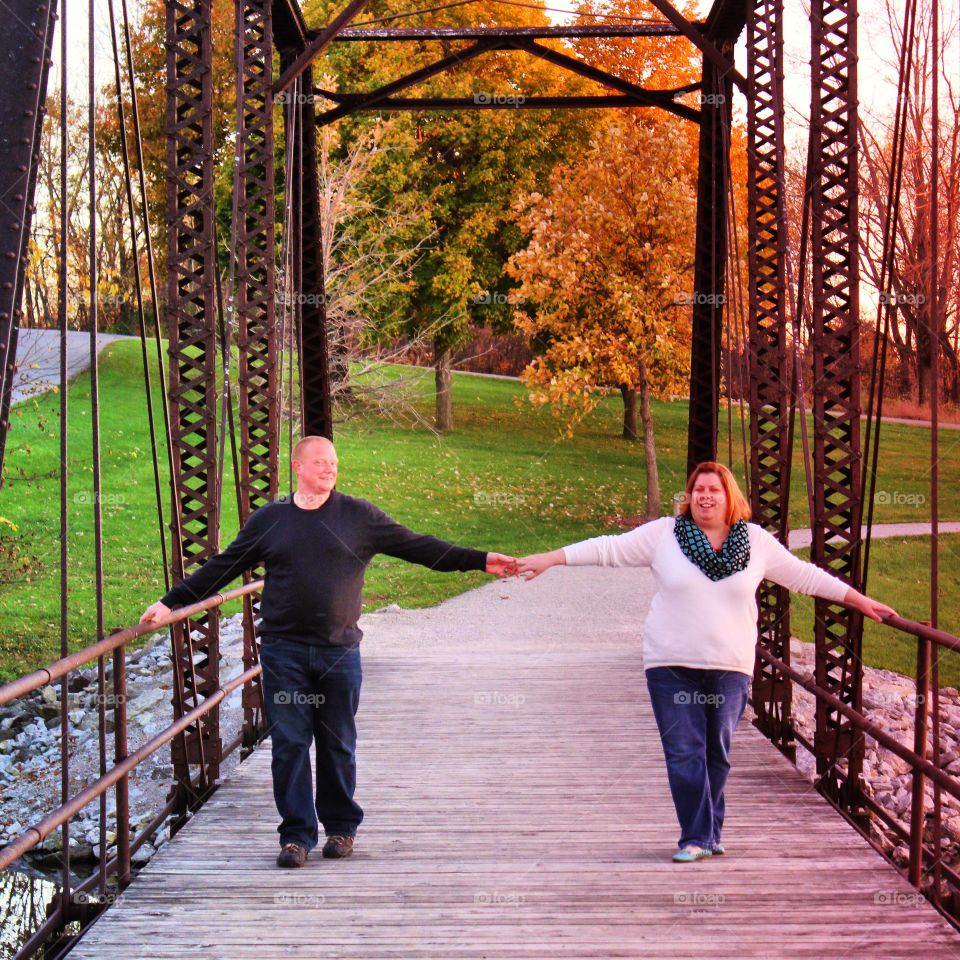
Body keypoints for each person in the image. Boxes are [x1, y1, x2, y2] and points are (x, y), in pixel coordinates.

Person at [141, 435, 516, 868]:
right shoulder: (271, 520)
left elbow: (421, 547)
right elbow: (223, 566)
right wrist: (171, 602)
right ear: (297, 466)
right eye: (320, 462)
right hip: (284, 652)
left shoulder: (359, 516)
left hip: (339, 653)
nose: (330, 468)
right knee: (290, 744)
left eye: (334, 462)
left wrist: (481, 559)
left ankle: (340, 828)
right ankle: (296, 837)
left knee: (337, 743)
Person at [514, 461, 895, 863]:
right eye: (698, 490)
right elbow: (608, 548)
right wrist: (552, 557)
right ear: (689, 496)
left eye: (715, 489)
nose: (706, 496)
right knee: (684, 750)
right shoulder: (665, 535)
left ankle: (711, 832)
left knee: (717, 750)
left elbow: (804, 576)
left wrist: (859, 600)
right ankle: (694, 837)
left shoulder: (755, 542)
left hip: (729, 666)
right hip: (670, 664)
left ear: (730, 496)